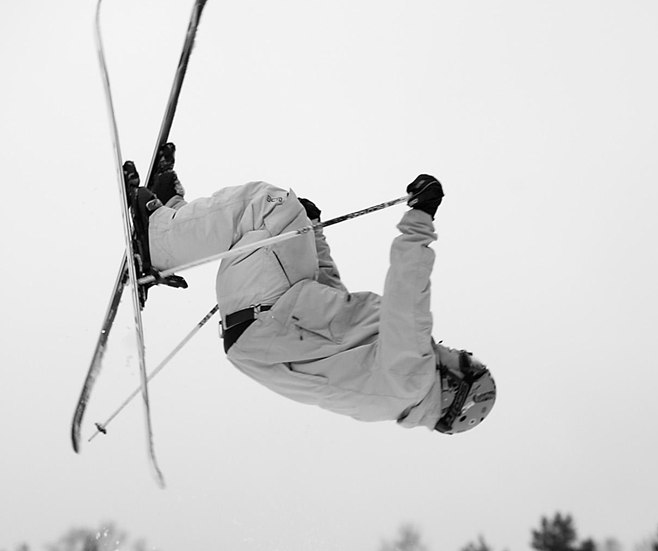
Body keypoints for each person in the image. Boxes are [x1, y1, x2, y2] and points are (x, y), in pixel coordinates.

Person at [133, 149, 496, 434]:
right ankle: (171, 216)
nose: (458, 352)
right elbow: (328, 305)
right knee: (279, 220)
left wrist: (421, 219)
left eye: (467, 363)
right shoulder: (394, 390)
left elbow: (408, 295)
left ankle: (160, 239)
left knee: (270, 203)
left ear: (455, 390)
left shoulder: (413, 376)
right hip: (265, 325)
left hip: (268, 318)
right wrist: (315, 232)